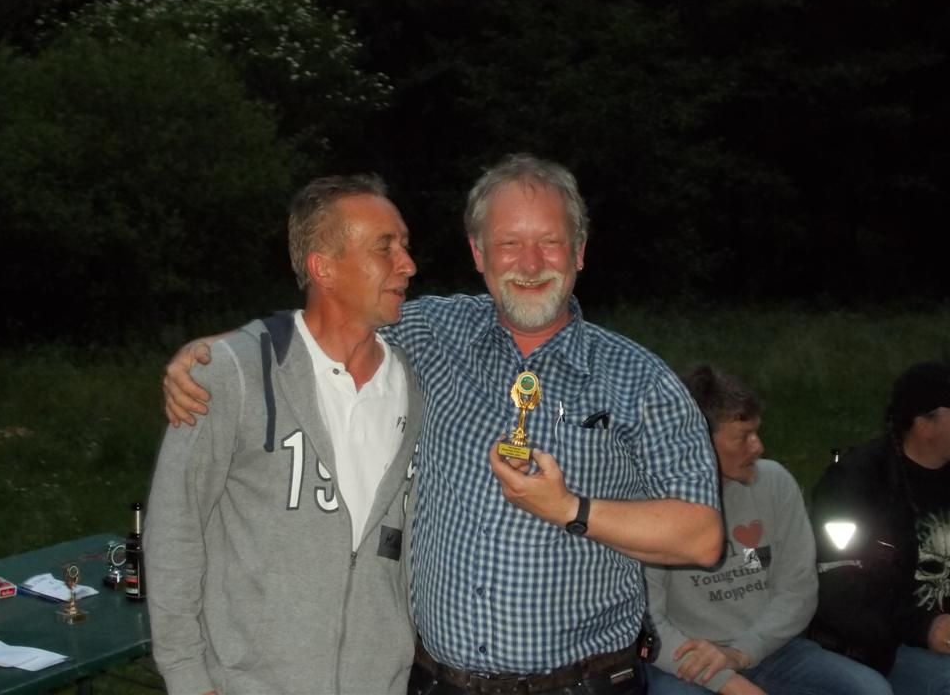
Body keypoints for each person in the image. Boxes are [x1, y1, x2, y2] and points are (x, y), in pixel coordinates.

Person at [164, 154, 724, 695]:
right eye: (509, 243)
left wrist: (570, 509)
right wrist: (219, 352)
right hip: (436, 682)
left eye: (550, 242)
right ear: (479, 253)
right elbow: (331, 319)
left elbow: (702, 538)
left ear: (579, 251)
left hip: (583, 685)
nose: (531, 264)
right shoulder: (434, 333)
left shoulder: (640, 380)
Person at [144, 175, 422, 695]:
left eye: (404, 245)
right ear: (323, 267)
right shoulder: (232, 375)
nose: (407, 264)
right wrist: (187, 677)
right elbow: (174, 530)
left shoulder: (413, 382)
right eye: (385, 247)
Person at [644, 366, 892, 695]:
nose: (758, 446)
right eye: (742, 437)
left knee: (870, 690)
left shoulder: (774, 483)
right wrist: (726, 681)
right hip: (685, 659)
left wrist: (742, 652)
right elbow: (647, 622)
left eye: (756, 432)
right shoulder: (652, 505)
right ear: (698, 442)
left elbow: (798, 590)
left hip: (770, 650)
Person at [810, 361, 950, 693]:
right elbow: (840, 586)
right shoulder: (855, 483)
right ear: (924, 424)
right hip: (886, 645)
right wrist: (924, 628)